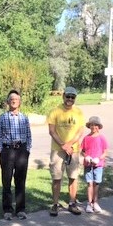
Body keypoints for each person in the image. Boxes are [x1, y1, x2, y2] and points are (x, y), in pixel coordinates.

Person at [47, 86, 86, 216]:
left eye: (72, 97)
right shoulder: (55, 111)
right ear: (63, 96)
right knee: (57, 178)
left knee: (73, 177)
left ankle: (72, 203)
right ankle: (55, 204)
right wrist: (63, 145)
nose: (70, 99)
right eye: (68, 96)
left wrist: (70, 144)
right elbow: (52, 131)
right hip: (58, 150)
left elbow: (80, 131)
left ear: (75, 98)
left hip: (73, 150)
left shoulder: (79, 112)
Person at [0, 90, 32, 220]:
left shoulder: (24, 118)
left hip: (21, 151)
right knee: (6, 181)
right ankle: (7, 210)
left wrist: (27, 149)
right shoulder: (2, 118)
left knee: (20, 180)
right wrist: (1, 149)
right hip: (7, 151)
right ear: (7, 102)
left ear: (19, 101)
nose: (14, 100)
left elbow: (29, 135)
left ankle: (20, 209)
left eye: (16, 99)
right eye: (11, 99)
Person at [81, 116, 108, 213]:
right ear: (89, 126)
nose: (93, 127)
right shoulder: (86, 138)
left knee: (96, 183)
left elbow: (105, 152)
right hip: (88, 164)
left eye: (95, 125)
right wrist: (86, 156)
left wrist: (99, 158)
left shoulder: (102, 138)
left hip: (98, 164)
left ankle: (95, 202)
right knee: (89, 183)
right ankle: (89, 203)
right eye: (92, 125)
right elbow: (82, 151)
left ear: (99, 127)